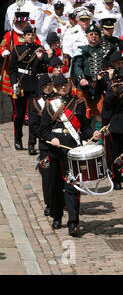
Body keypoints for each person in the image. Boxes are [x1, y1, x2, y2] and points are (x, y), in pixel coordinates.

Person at [39, 74, 102, 237]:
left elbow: (85, 127)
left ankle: (73, 222)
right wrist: (50, 138)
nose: (62, 88)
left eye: (65, 85)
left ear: (69, 85)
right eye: (59, 86)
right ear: (54, 87)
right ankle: (57, 216)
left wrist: (92, 135)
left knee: (73, 187)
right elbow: (43, 130)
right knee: (55, 186)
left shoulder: (78, 103)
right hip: (55, 152)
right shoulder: (49, 105)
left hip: (73, 152)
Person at [9, 24, 46, 154]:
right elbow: (12, 69)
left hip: (34, 85)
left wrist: (40, 59)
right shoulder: (17, 49)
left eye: (32, 35)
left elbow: (42, 69)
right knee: (19, 115)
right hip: (21, 85)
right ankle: (18, 139)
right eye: (28, 35)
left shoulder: (39, 49)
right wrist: (14, 83)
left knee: (33, 117)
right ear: (24, 36)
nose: (30, 37)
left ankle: (31, 144)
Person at [102, 63, 123, 191]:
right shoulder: (115, 86)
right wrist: (113, 93)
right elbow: (107, 105)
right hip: (117, 125)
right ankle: (115, 178)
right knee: (115, 154)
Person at [28, 73, 55, 216]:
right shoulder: (35, 102)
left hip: (61, 143)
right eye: (44, 86)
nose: (48, 87)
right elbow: (33, 126)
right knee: (47, 176)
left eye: (50, 84)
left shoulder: (60, 100)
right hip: (46, 145)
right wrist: (46, 136)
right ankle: (49, 203)